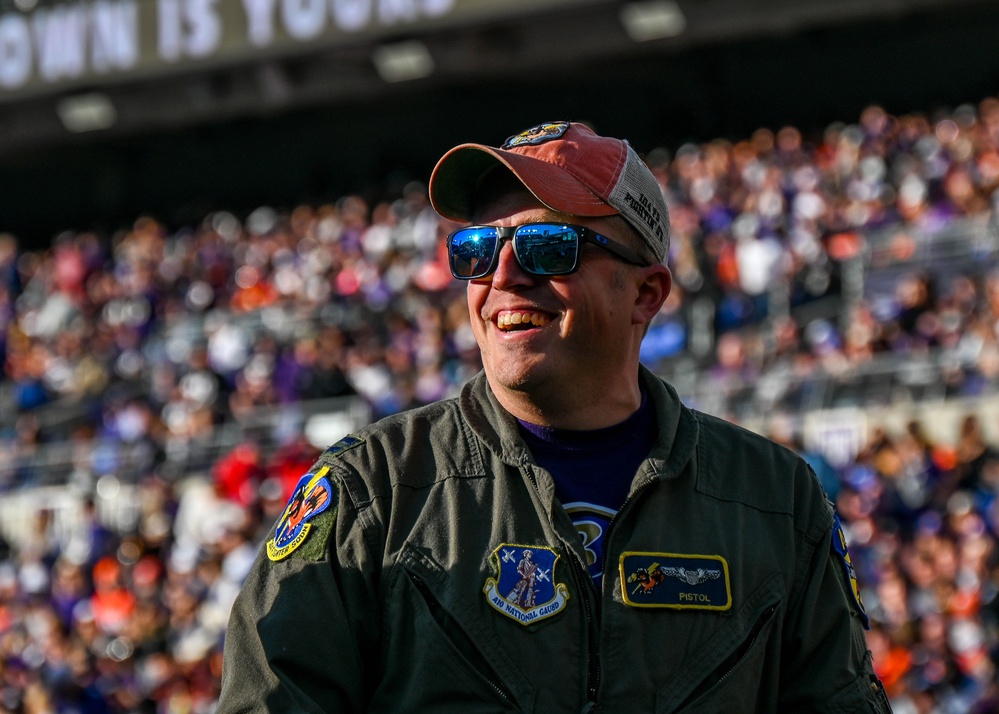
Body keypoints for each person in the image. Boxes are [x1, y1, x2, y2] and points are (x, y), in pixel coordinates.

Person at [218, 121, 892, 712]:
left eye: (547, 246)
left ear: (645, 293)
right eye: (475, 251)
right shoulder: (374, 491)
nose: (502, 276)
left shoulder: (772, 501)